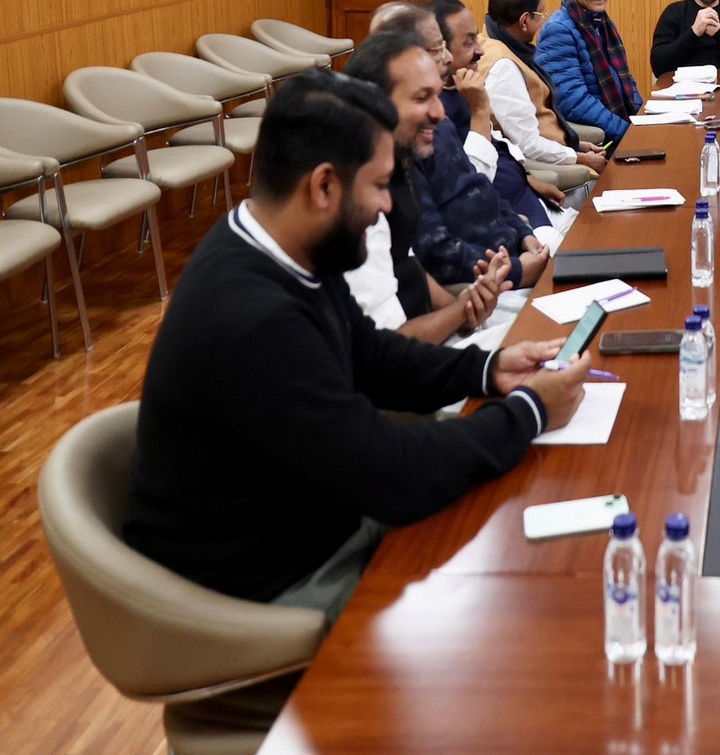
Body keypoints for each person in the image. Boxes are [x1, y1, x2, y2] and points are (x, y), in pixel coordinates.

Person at [124, 70, 590, 623]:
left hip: (314, 526)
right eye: (377, 186)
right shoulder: (254, 318)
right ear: (323, 186)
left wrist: (487, 369)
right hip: (262, 593)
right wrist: (531, 412)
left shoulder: (278, 245)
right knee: (503, 604)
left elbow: (370, 355)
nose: (387, 209)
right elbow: (392, 476)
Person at [342, 30, 513, 340]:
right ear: (374, 103)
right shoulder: (353, 201)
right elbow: (386, 351)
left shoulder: (397, 161)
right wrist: (461, 313)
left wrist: (464, 309)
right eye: (422, 98)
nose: (440, 112)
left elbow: (406, 261)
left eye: (437, 94)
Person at [430, 0, 580, 238]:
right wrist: (480, 110)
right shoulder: (432, 113)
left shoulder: (462, 87)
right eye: (469, 42)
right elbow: (471, 187)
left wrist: (526, 176)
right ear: (440, 51)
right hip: (511, 226)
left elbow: (498, 144)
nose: (480, 50)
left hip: (532, 202)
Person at [479, 0, 609, 177]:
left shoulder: (488, 39)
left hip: (556, 150)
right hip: (543, 167)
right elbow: (529, 144)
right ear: (524, 21)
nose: (543, 22)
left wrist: (578, 146)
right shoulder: (503, 67)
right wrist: (578, 157)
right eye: (540, 14)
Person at [534, 0, 643, 144]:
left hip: (621, 127)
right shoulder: (559, 30)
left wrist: (643, 120)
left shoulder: (603, 24)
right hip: (597, 142)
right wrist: (626, 132)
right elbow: (573, 101)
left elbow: (626, 81)